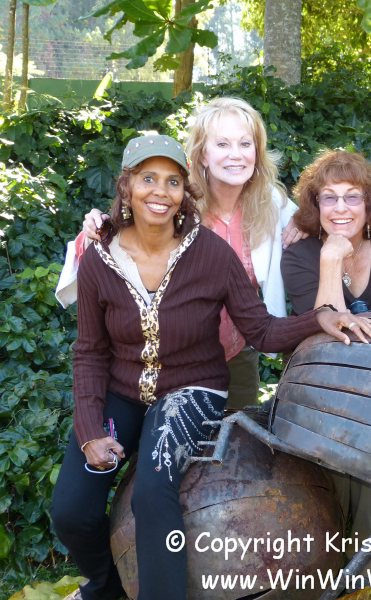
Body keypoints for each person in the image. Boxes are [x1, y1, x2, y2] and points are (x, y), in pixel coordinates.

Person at [50, 135, 371, 600]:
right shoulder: (100, 259)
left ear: (185, 191)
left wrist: (318, 318)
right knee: (72, 510)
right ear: (126, 187)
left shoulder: (210, 253)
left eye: (172, 181)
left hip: (191, 390)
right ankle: (106, 587)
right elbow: (89, 351)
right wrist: (89, 431)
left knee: (152, 491)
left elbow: (261, 331)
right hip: (121, 392)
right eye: (147, 179)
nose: (160, 191)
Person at [56, 98, 305, 411]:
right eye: (223, 144)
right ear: (202, 153)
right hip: (173, 360)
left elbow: (326, 220)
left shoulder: (270, 202)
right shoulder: (175, 199)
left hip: (238, 352)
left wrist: (305, 219)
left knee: (239, 435)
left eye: (246, 144)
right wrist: (94, 228)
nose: (236, 154)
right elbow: (114, 243)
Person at [280, 150, 371, 588]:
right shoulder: (299, 254)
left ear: (370, 204)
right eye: (329, 197)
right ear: (316, 205)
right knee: (330, 440)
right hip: (318, 377)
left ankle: (368, 572)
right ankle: (325, 558)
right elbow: (323, 329)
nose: (340, 208)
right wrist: (330, 259)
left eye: (352, 197)